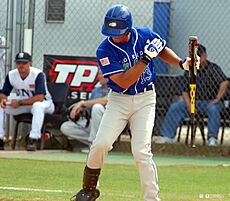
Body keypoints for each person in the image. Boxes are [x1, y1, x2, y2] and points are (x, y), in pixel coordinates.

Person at [71, 4, 194, 201]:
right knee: (101, 144)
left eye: (118, 31)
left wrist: (182, 63)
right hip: (119, 99)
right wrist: (145, 58)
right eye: (111, 31)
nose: (114, 35)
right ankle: (89, 190)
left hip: (145, 99)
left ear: (128, 27)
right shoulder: (104, 50)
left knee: (141, 151)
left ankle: (151, 198)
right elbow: (125, 80)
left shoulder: (144, 34)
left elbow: (161, 50)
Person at [157, 44, 229, 146]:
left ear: (205, 56)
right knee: (175, 107)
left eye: (200, 56)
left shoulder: (213, 68)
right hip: (193, 102)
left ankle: (212, 139)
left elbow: (224, 82)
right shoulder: (190, 69)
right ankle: (167, 136)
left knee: (214, 109)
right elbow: (184, 91)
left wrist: (217, 99)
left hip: (211, 102)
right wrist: (189, 105)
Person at [0, 52, 55, 151]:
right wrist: (3, 100)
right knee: (1, 105)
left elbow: (40, 98)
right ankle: (0, 139)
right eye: (19, 63)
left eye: (24, 63)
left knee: (37, 106)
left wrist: (19, 103)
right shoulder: (12, 75)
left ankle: (33, 139)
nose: (21, 65)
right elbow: (4, 92)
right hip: (24, 104)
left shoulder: (38, 74)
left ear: (30, 63)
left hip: (45, 104)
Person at [60, 69, 109, 151]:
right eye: (98, 74)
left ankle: (94, 147)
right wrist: (81, 110)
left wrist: (82, 103)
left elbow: (106, 100)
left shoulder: (114, 89)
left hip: (108, 126)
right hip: (94, 125)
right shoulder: (96, 90)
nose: (99, 76)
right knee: (65, 127)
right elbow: (89, 109)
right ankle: (98, 144)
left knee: (97, 107)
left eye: (102, 74)